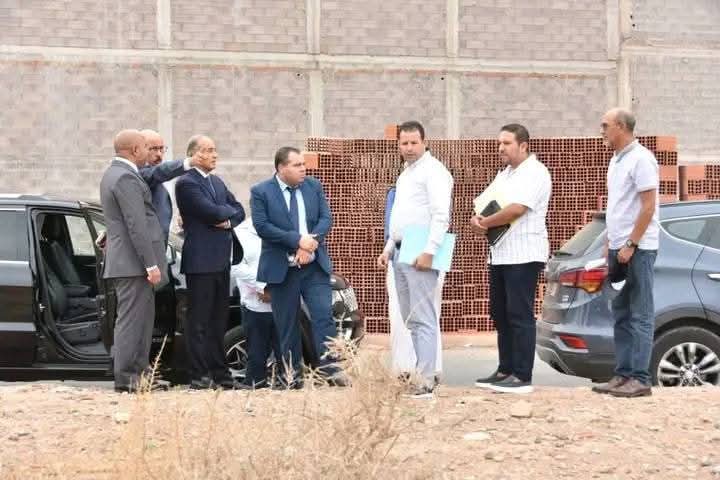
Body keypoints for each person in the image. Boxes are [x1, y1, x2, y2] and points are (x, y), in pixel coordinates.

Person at [250, 146, 344, 388]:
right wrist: (297, 240)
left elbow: (326, 219)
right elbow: (263, 226)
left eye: (304, 164)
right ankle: (293, 377)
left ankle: (331, 371)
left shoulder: (313, 186)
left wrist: (309, 244)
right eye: (297, 165)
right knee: (287, 324)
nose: (304, 169)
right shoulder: (261, 191)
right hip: (282, 270)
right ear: (281, 168)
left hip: (314, 268)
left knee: (323, 317)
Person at [471, 124, 551, 395]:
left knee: (519, 313)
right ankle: (505, 369)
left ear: (523, 145)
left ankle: (522, 375)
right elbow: (485, 204)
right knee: (500, 312)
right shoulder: (504, 174)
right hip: (500, 253)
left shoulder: (535, 172)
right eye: (499, 143)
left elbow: (517, 209)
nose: (501, 148)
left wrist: (485, 223)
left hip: (524, 253)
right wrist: (477, 219)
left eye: (507, 143)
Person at [376, 121, 453, 399]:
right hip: (400, 249)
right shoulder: (406, 174)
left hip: (420, 249)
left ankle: (426, 379)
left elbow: (441, 215)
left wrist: (430, 251)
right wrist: (388, 248)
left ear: (424, 142)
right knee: (411, 318)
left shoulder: (434, 171)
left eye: (413, 142)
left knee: (423, 317)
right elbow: (400, 217)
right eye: (404, 143)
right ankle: (422, 374)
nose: (408, 148)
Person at [592, 108, 659, 398]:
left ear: (621, 126)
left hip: (638, 249)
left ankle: (641, 379)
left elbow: (648, 206)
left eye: (605, 125)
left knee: (640, 314)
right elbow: (618, 206)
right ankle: (623, 375)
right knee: (620, 312)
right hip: (618, 247)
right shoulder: (616, 160)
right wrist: (610, 241)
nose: (601, 131)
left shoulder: (642, 159)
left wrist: (631, 243)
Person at [99, 129, 168, 393]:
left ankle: (142, 375)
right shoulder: (125, 177)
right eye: (146, 147)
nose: (149, 152)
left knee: (142, 321)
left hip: (131, 262)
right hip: (133, 264)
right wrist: (150, 264)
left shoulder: (117, 173)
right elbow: (136, 225)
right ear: (134, 150)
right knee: (131, 321)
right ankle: (127, 378)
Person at [175, 135, 246, 390]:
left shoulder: (216, 181)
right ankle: (199, 375)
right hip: (201, 262)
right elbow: (210, 212)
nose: (214, 155)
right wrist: (223, 214)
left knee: (218, 322)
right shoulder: (186, 183)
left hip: (222, 261)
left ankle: (221, 375)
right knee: (199, 322)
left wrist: (226, 219)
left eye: (215, 150)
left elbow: (239, 210)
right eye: (208, 150)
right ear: (194, 154)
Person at [232, 218, 278, 388]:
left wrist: (275, 289)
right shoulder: (239, 233)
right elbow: (235, 266)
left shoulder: (285, 227)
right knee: (256, 358)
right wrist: (263, 286)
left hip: (283, 304)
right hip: (254, 306)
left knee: (287, 357)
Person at [138, 129, 196, 244]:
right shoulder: (139, 173)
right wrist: (189, 162)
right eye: (154, 149)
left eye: (161, 149)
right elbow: (159, 172)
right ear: (140, 150)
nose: (159, 154)